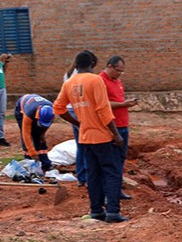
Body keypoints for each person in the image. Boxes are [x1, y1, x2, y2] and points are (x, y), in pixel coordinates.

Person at [53, 50, 128, 223]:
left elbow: (59, 108)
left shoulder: (69, 83)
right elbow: (103, 109)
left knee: (93, 174)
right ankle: (113, 212)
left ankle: (96, 210)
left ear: (77, 65)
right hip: (102, 136)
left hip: (85, 137)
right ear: (93, 64)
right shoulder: (95, 80)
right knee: (112, 172)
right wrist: (116, 134)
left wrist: (78, 123)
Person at [100, 55, 138, 200]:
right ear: (110, 66)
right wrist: (123, 104)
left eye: (122, 71)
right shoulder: (101, 81)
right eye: (118, 70)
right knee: (110, 161)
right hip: (111, 127)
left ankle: (117, 190)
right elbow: (102, 103)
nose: (120, 74)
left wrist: (126, 104)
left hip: (123, 125)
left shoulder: (117, 81)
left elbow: (117, 100)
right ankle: (107, 193)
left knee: (120, 159)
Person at [13, 94, 78, 172]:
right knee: (30, 134)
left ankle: (45, 163)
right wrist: (32, 152)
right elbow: (26, 133)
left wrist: (42, 135)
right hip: (21, 107)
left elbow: (44, 128)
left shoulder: (52, 112)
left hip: (36, 109)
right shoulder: (29, 113)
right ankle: (29, 160)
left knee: (39, 135)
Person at [63, 59, 88, 187]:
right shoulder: (83, 78)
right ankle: (87, 177)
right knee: (87, 145)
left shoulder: (68, 76)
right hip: (78, 110)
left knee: (81, 145)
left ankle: (81, 177)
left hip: (71, 110)